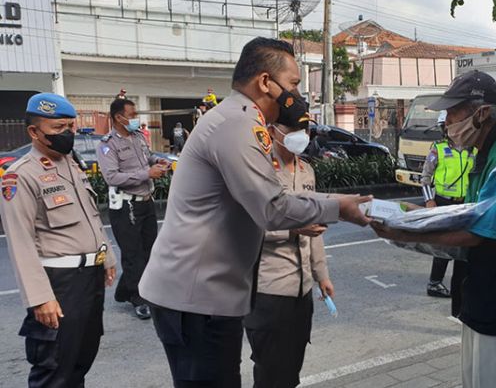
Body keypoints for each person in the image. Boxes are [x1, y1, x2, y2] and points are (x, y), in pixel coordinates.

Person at [138, 37, 371, 388]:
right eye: (293, 84)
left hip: (208, 298)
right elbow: (271, 206)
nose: (297, 96)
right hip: (195, 301)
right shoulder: (236, 123)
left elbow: (272, 197)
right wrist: (339, 207)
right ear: (265, 82)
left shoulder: (242, 120)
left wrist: (332, 200)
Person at [372, 70, 496, 388]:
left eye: (453, 112)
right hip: (483, 290)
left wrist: (405, 234)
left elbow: (478, 231)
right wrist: (404, 214)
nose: (446, 121)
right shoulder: (483, 155)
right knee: (476, 378)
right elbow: (465, 215)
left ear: (482, 113)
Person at [0, 93, 118, 387]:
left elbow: (91, 216)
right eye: (58, 128)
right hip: (58, 283)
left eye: (70, 126)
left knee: (80, 361)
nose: (68, 133)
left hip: (89, 278)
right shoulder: (22, 176)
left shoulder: (72, 166)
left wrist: (107, 258)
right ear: (34, 132)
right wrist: (40, 298)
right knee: (54, 370)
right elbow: (20, 241)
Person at [244, 116, 334, 387]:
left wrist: (322, 276)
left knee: (292, 368)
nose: (300, 135)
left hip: (302, 290)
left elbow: (314, 228)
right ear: (272, 131)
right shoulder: (259, 171)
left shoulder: (307, 170)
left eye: (304, 129)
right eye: (292, 129)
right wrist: (292, 230)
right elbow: (248, 227)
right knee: (270, 369)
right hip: (268, 289)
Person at [96, 97, 170, 320]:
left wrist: (159, 161)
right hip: (125, 205)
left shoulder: (137, 137)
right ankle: (140, 299)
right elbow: (111, 176)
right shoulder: (108, 144)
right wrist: (146, 174)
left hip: (145, 200)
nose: (136, 119)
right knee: (132, 253)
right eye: (132, 115)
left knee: (149, 250)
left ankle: (128, 290)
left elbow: (147, 158)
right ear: (119, 117)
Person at [420, 110, 475, 298]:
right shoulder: (439, 148)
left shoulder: (472, 150)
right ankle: (434, 283)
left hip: (466, 203)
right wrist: (430, 200)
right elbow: (426, 178)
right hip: (443, 203)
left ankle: (463, 283)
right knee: (444, 245)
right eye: (448, 126)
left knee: (465, 243)